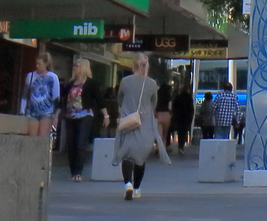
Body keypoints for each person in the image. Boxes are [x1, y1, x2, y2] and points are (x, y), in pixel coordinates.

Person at [115, 56, 160, 199]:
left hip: (128, 121)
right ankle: (137, 188)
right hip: (145, 123)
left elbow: (120, 99)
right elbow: (154, 104)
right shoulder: (152, 84)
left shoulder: (125, 81)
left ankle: (127, 183)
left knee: (127, 154)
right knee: (140, 156)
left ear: (133, 66)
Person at [59, 59, 105, 183]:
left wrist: (106, 116)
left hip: (85, 115)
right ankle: (73, 172)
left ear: (84, 67)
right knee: (71, 143)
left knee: (80, 142)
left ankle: (79, 172)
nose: (74, 68)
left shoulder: (91, 83)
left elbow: (99, 100)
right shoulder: (71, 82)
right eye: (74, 66)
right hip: (70, 116)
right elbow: (62, 97)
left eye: (77, 66)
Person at [20, 54, 61, 142]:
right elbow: (25, 95)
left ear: (46, 64)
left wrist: (55, 115)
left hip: (47, 112)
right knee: (32, 139)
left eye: (39, 64)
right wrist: (22, 111)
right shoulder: (30, 76)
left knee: (42, 139)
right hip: (32, 111)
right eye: (36, 64)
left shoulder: (53, 77)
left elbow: (56, 97)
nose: (37, 66)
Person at [168, 68, 195, 153]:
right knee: (184, 131)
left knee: (180, 131)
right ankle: (181, 146)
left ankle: (180, 145)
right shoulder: (189, 98)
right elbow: (191, 108)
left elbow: (174, 106)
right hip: (186, 117)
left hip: (179, 117)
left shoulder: (178, 97)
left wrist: (174, 115)